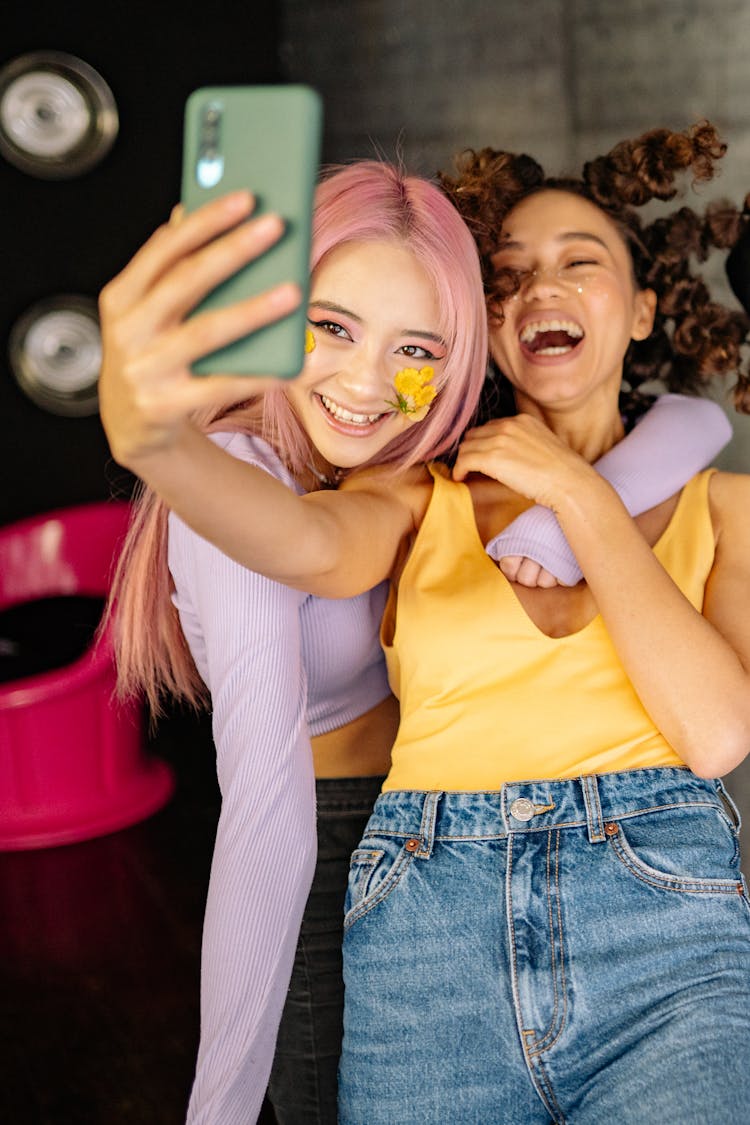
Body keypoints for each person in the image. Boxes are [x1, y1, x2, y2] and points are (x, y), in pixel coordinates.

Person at [100, 144, 734, 1124]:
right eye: (510, 278)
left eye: (582, 262)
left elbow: (717, 729)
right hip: (383, 871)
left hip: (602, 884)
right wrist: (158, 442)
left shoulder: (703, 491)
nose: (369, 378)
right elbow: (310, 550)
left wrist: (573, 496)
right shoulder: (358, 481)